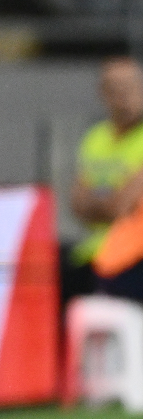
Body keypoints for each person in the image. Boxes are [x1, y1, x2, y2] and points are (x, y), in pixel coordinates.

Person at [71, 57, 143, 303]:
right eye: (115, 89)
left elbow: (120, 207)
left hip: (133, 257)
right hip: (95, 252)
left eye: (130, 87)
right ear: (103, 93)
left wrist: (100, 201)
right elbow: (78, 205)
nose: (124, 96)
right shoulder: (95, 138)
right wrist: (112, 202)